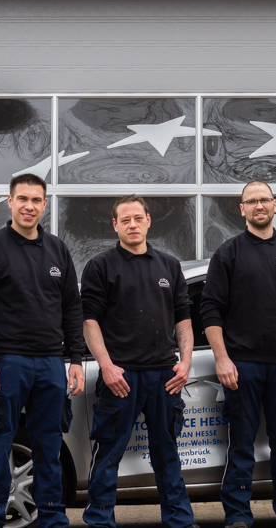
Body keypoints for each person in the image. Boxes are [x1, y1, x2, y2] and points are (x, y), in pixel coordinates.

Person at [0, 173, 86, 528]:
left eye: (36, 200)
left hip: (50, 363)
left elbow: (72, 308)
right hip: (6, 362)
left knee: (50, 445)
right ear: (10, 201)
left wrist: (75, 360)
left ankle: (52, 518)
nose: (29, 206)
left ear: (44, 204)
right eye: (22, 199)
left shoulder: (57, 250)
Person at [200, 181, 276, 528]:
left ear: (275, 205)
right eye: (251, 201)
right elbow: (210, 310)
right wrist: (222, 358)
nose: (258, 206)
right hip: (242, 367)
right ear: (242, 209)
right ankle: (238, 515)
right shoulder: (229, 253)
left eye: (264, 200)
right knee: (241, 444)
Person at [80, 195, 199, 528]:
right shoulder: (100, 266)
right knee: (109, 453)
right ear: (115, 225)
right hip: (121, 376)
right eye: (125, 220)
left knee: (167, 453)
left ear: (148, 220)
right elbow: (89, 321)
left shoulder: (169, 266)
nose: (132, 225)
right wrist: (106, 366)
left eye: (137, 218)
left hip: (164, 376)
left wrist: (185, 362)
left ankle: (180, 521)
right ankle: (99, 521)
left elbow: (183, 318)